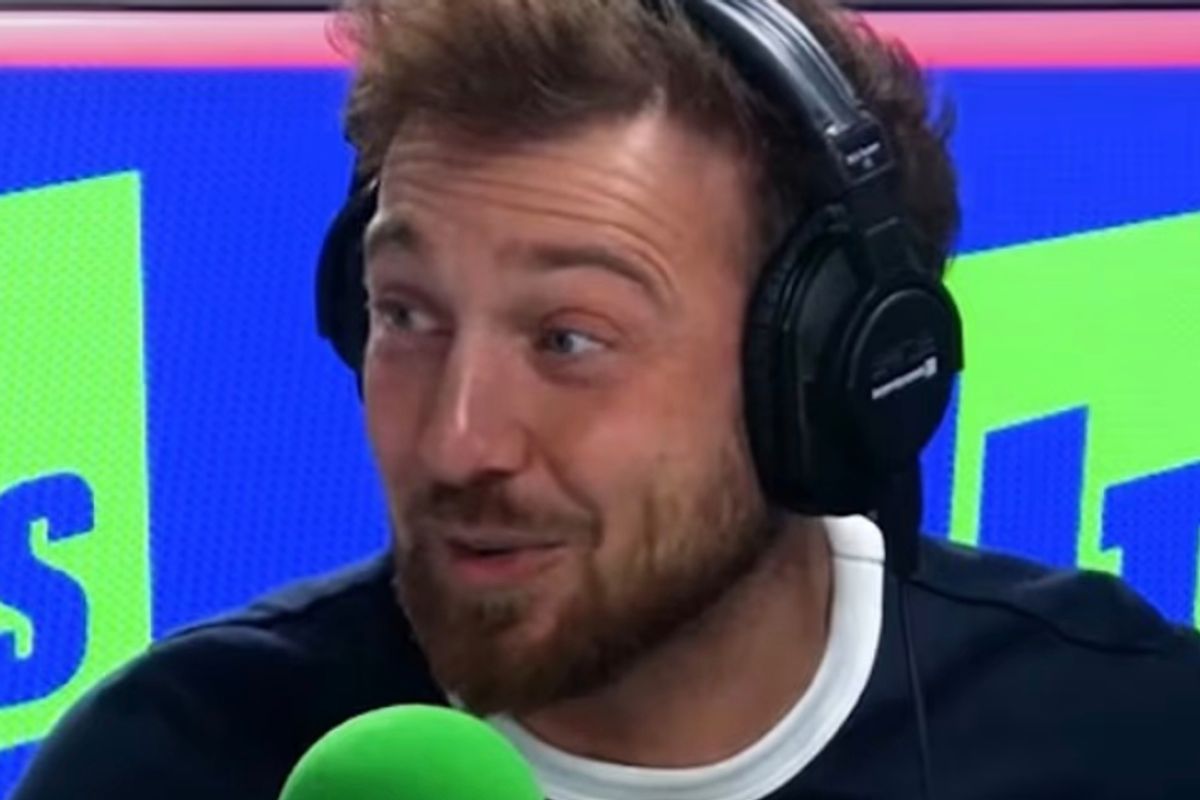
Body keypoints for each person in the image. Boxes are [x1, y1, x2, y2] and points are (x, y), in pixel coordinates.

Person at [13, 0, 1200, 798]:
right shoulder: (171, 759)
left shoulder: (1135, 738)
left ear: (819, 378)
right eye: (407, 315)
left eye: (570, 338)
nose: (459, 440)